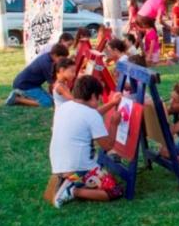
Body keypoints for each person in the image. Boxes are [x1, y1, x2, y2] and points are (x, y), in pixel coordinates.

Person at [47, 75, 124, 208]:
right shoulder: (91, 114)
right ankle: (73, 191)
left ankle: (68, 181)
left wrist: (111, 103)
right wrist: (114, 124)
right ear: (93, 95)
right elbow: (107, 146)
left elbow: (90, 115)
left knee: (97, 180)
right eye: (99, 97)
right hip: (79, 169)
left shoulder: (65, 106)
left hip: (58, 165)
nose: (100, 100)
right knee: (115, 191)